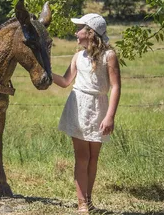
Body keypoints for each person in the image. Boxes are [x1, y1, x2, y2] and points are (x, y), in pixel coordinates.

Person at [52, 14, 121, 213]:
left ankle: (89, 199)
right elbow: (66, 81)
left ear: (90, 33)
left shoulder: (109, 56)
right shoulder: (77, 57)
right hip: (78, 107)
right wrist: (47, 74)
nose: (76, 32)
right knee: (82, 157)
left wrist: (110, 116)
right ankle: (82, 202)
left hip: (99, 107)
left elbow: (115, 87)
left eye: (80, 28)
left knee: (93, 157)